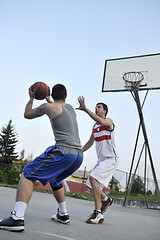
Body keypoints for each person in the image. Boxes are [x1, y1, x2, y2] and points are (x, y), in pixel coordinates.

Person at [0, 84, 83, 232]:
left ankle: (17, 218)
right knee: (55, 179)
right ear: (66, 95)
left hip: (63, 152)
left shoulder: (47, 107)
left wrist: (31, 98)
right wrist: (49, 98)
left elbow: (27, 114)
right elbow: (57, 107)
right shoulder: (70, 108)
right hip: (78, 156)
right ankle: (63, 214)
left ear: (52, 95)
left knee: (27, 174)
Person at [77, 96, 118, 224]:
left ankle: (98, 213)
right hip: (101, 161)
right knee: (91, 185)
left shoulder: (109, 122)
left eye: (99, 107)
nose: (96, 108)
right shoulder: (95, 126)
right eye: (95, 107)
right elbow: (90, 142)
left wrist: (85, 109)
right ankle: (106, 200)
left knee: (93, 178)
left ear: (104, 111)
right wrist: (79, 151)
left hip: (111, 159)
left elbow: (102, 121)